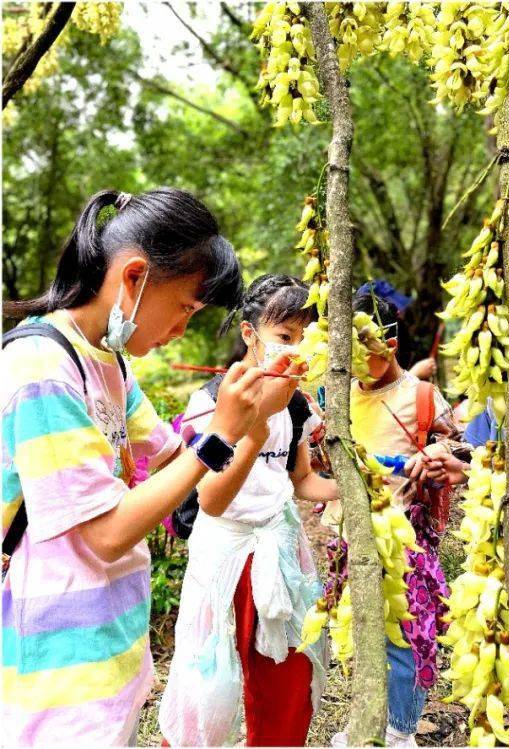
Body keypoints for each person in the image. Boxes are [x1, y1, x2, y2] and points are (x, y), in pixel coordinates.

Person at [0, 188, 267, 745]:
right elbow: (105, 535)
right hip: (53, 672)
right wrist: (220, 434)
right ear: (134, 276)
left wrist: (252, 419)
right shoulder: (42, 367)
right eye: (186, 309)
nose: (180, 331)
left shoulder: (109, 361)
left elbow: (182, 465)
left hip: (110, 653)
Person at [159, 274, 338, 747]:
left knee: (286, 671)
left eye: (305, 339)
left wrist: (360, 487)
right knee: (209, 675)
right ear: (249, 334)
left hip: (279, 546)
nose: (296, 351)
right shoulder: (212, 403)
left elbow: (301, 480)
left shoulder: (298, 406)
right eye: (284, 337)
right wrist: (255, 424)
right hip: (225, 550)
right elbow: (212, 500)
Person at [325, 292, 468, 748]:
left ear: (389, 340)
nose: (359, 358)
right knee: (362, 630)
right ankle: (369, 719)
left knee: (408, 636)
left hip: (405, 534)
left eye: (366, 345)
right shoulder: (336, 393)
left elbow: (459, 448)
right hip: (350, 534)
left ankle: (400, 730)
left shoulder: (420, 396)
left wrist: (437, 454)